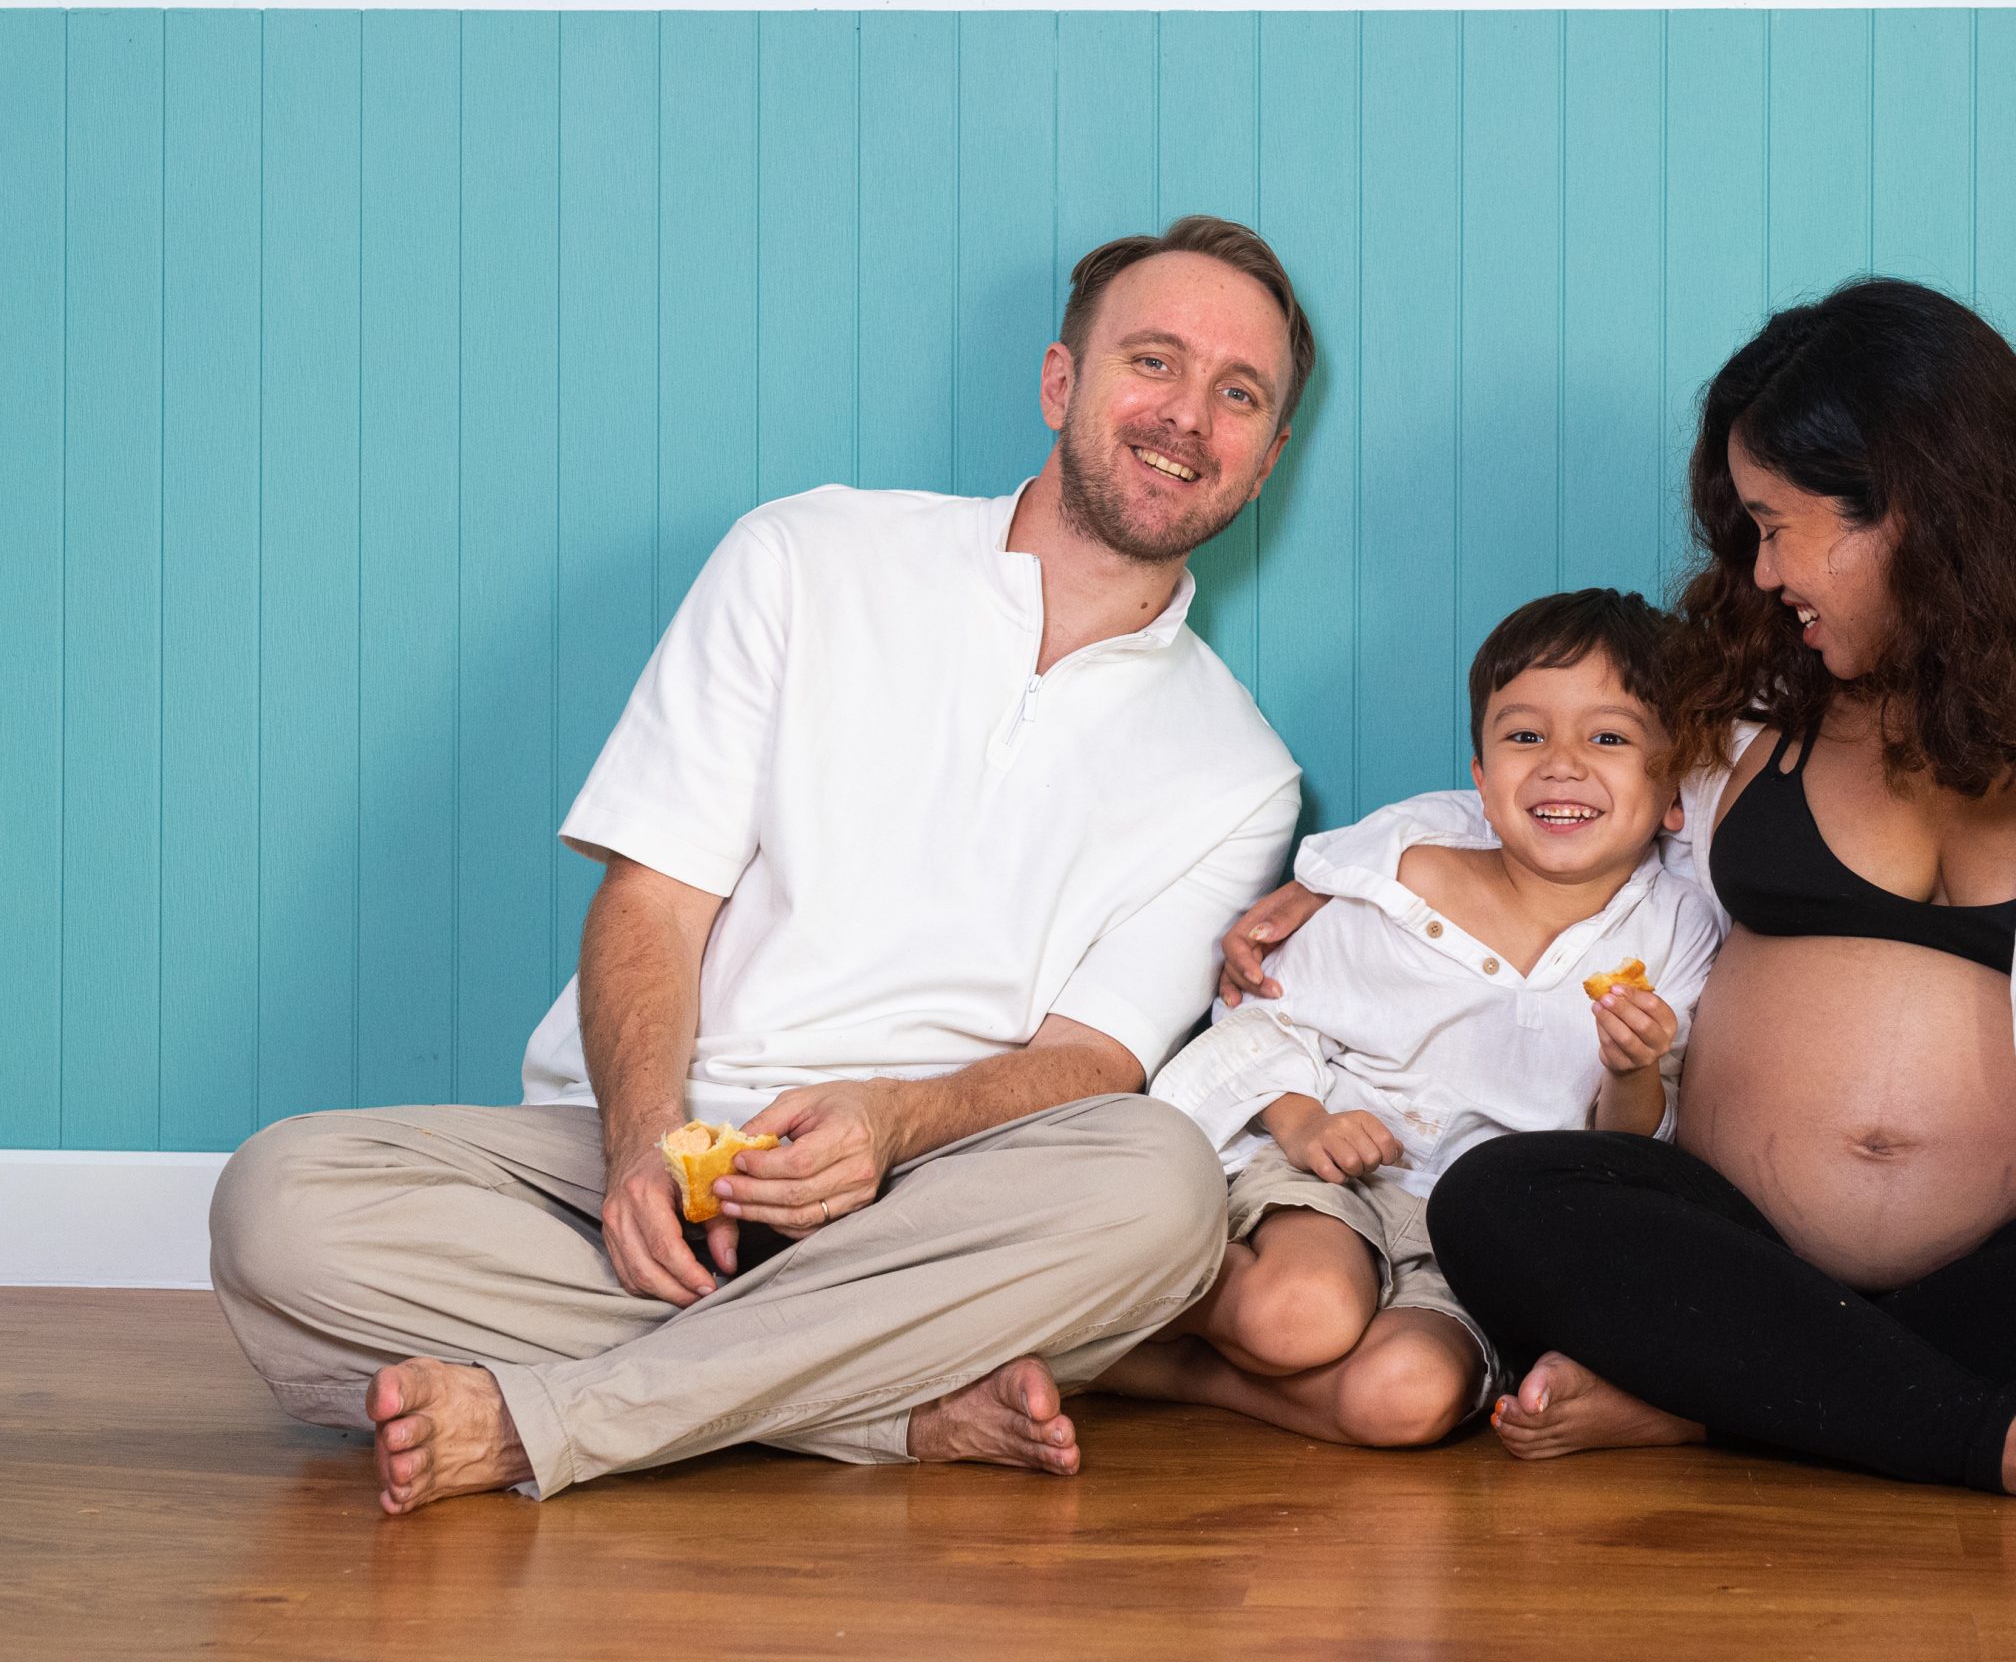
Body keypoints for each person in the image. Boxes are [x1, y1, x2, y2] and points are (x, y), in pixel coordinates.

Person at [1222, 279, 2016, 1531]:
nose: (1763, 569)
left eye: (1780, 525)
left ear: (1915, 506)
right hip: (1733, 1239)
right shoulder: (1751, 699)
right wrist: (1340, 881)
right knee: (1500, 1198)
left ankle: (1726, 1396)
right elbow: (1570, 794)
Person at [211, 216, 1314, 1512]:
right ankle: (880, 1413)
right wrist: (639, 1147)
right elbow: (654, 902)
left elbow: (1093, 1063)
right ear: (1062, 384)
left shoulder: (1245, 773)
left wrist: (894, 1121)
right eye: (1154, 363)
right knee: (276, 1206)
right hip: (645, 1153)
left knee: (1163, 1189)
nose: (1187, 415)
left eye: (1237, 395)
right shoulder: (806, 555)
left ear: (1267, 458)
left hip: (930, 1202)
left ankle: (556, 1421)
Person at [1112, 590, 1713, 1448]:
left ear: (1674, 790)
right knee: (1302, 1318)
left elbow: (1628, 1148)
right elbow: (1259, 1025)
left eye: (1609, 738)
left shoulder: (1677, 931)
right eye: (1524, 736)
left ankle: (1155, 1370)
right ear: (1478, 776)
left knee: (1404, 1398)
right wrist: (1307, 1121)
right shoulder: (1395, 888)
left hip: (1471, 1247)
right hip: (1329, 1189)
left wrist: (1632, 1069)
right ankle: (1096, 1303)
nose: (1561, 765)